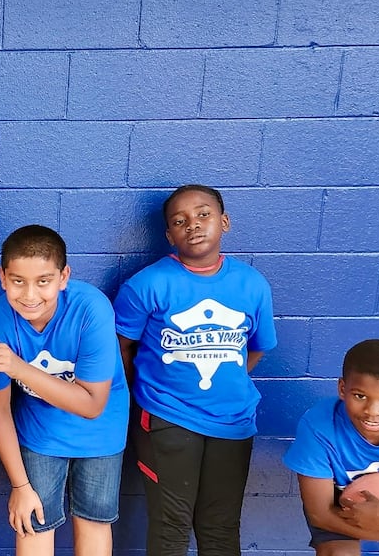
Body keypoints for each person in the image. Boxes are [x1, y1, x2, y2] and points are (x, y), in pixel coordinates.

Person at [114, 184, 277, 556]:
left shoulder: (251, 284)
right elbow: (122, 346)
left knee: (220, 527)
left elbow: (256, 348)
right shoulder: (147, 284)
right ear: (169, 235)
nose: (193, 225)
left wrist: (224, 380)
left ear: (224, 221)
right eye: (180, 220)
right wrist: (146, 394)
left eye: (203, 214)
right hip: (167, 418)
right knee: (171, 527)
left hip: (233, 421)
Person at [0, 224, 129, 556]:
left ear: (63, 278)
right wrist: (20, 485)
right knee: (33, 520)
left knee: (94, 521)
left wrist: (18, 367)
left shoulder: (91, 309)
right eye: (18, 281)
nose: (30, 295)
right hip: (40, 432)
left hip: (100, 431)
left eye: (43, 281)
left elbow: (92, 405)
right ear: (3, 278)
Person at [283, 339, 379, 554]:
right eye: (360, 396)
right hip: (344, 512)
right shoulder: (318, 426)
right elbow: (320, 514)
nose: (372, 411)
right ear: (342, 389)